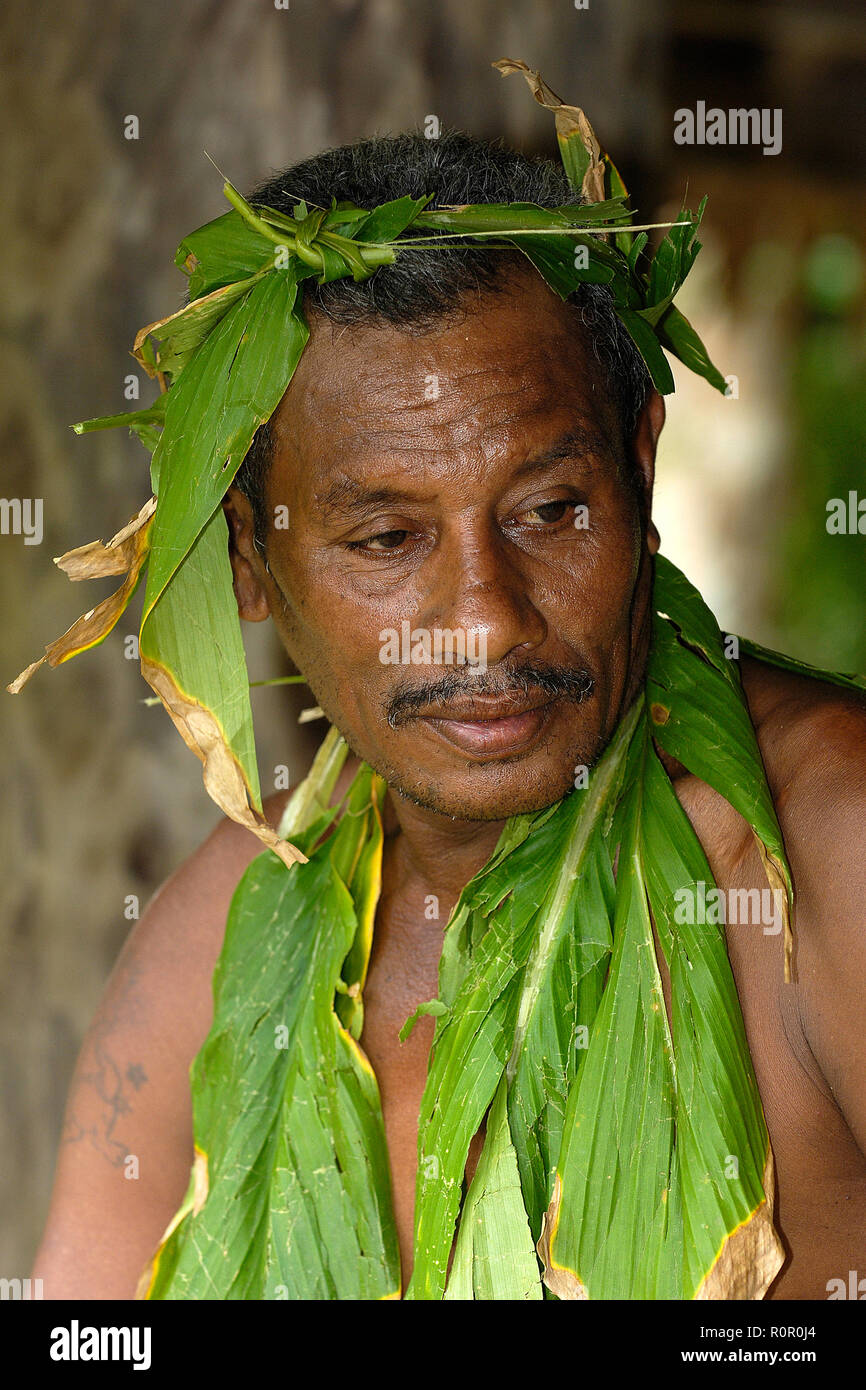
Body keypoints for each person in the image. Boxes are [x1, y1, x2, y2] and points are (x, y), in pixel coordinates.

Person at [30, 131, 866, 1301]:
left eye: (548, 510)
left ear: (637, 472)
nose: (482, 621)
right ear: (250, 565)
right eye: (385, 539)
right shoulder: (236, 919)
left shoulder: (819, 859)